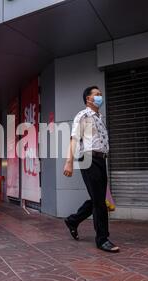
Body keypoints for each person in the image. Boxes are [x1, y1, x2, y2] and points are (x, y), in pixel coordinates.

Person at [63, 86, 120, 253]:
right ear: (88, 99)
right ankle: (102, 239)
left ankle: (73, 220)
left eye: (101, 94)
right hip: (88, 159)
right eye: (97, 95)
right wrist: (69, 162)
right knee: (99, 202)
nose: (100, 97)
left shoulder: (100, 118)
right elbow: (74, 139)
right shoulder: (83, 116)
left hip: (101, 160)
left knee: (98, 199)